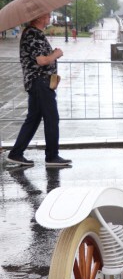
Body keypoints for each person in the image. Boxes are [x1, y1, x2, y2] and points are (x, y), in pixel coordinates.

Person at [5, 13, 71, 167]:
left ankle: (16, 153)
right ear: (39, 18)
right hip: (40, 81)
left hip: (37, 82)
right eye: (47, 16)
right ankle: (52, 156)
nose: (49, 18)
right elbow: (42, 60)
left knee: (33, 119)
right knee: (52, 118)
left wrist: (52, 55)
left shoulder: (33, 33)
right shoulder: (33, 34)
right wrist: (56, 54)